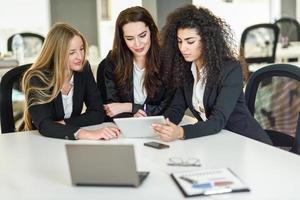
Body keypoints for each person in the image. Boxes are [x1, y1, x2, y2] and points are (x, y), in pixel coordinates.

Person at [152, 5, 272, 145]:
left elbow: (217, 120)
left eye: (190, 41)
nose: (183, 48)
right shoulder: (186, 69)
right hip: (217, 140)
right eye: (180, 41)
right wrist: (163, 125)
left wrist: (180, 132)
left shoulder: (230, 70)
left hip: (247, 142)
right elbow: (177, 108)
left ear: (206, 40)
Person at [21, 22, 120, 140]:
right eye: (72, 52)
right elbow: (45, 125)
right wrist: (85, 134)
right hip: (40, 141)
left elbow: (97, 113)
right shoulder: (37, 78)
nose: (80, 57)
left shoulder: (83, 69)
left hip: (68, 141)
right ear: (56, 54)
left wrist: (65, 123)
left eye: (81, 49)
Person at [97, 6, 174, 120]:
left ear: (151, 31)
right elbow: (111, 107)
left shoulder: (168, 61)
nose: (137, 44)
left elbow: (169, 107)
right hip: (123, 130)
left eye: (142, 35)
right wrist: (131, 114)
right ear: (122, 39)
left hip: (162, 128)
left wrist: (130, 107)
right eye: (129, 38)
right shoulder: (111, 62)